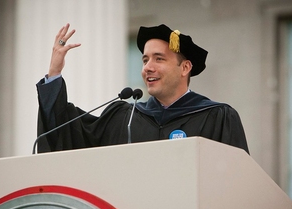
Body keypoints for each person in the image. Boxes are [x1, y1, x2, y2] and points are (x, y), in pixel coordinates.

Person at [36, 23, 249, 154]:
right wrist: (54, 73)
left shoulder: (217, 118)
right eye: (145, 60)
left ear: (185, 68)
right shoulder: (124, 119)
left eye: (159, 59)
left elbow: (235, 183)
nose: (148, 67)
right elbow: (68, 134)